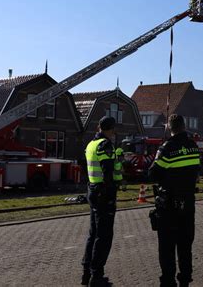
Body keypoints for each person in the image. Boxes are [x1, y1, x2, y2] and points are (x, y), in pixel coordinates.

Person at [149, 114, 201, 287]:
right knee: (185, 246)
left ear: (169, 127)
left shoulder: (167, 148)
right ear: (184, 126)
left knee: (167, 247)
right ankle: (185, 280)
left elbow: (153, 174)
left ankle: (168, 281)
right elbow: (196, 170)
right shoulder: (193, 146)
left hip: (169, 206)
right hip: (188, 203)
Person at [82, 116, 122, 287]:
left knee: (93, 233)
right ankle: (96, 276)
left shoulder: (91, 144)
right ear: (111, 129)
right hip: (103, 194)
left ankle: (86, 272)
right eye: (113, 130)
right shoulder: (105, 145)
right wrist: (110, 190)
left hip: (93, 190)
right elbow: (107, 172)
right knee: (104, 236)